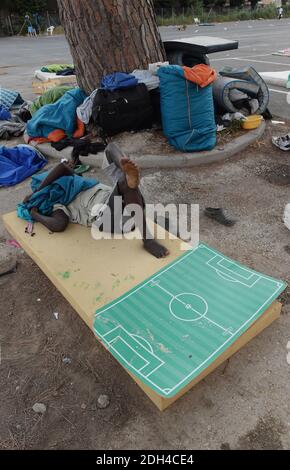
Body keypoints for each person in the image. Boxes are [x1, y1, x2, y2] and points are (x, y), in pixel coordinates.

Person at [22, 143, 169, 259]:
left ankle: (125, 169)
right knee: (126, 183)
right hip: (109, 219)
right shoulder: (56, 204)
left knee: (110, 148)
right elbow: (59, 225)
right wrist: (35, 214)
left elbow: (63, 169)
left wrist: (39, 189)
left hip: (123, 200)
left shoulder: (74, 182)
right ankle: (148, 240)